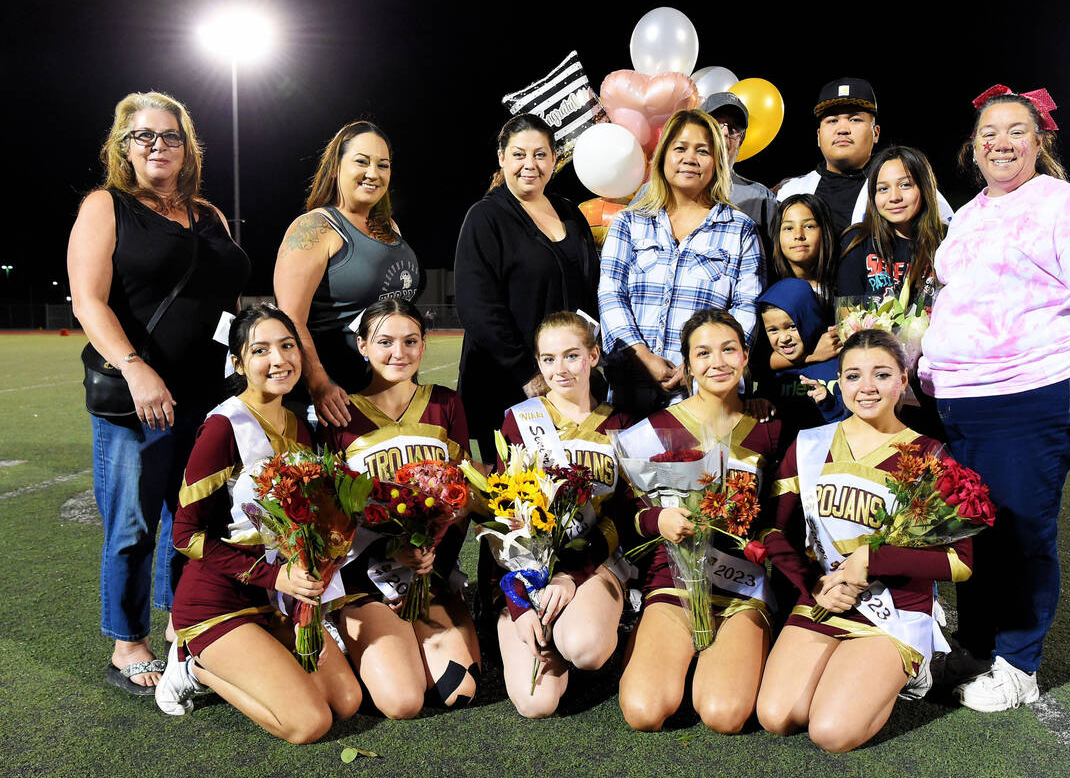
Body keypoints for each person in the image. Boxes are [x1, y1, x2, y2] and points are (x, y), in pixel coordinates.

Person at [918, 85, 1070, 711]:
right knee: (974, 527)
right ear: (972, 147)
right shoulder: (969, 215)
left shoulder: (1068, 204)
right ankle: (978, 645)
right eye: (989, 132)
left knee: (1020, 531)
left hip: (1031, 395)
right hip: (960, 402)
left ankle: (1018, 663)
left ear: (1040, 143)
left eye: (1016, 131)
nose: (1001, 142)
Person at [67, 91, 250, 696]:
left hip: (207, 397)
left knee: (196, 520)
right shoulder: (106, 206)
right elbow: (89, 300)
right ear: (123, 147)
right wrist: (136, 367)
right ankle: (127, 643)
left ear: (187, 146)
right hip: (137, 399)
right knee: (132, 523)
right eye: (142, 136)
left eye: (169, 136)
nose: (157, 146)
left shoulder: (210, 215)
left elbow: (223, 304)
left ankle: (183, 628)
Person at [756, 329, 972, 751]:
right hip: (825, 596)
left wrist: (872, 559)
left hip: (893, 609)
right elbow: (772, 530)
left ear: (903, 381)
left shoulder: (930, 454)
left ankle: (911, 668)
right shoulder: (810, 443)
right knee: (777, 716)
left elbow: (959, 561)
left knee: (831, 733)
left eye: (882, 374)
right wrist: (811, 584)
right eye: (853, 376)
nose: (867, 387)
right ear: (839, 381)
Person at [155, 304, 362, 742]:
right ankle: (193, 666)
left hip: (276, 599)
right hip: (219, 600)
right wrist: (275, 576)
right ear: (238, 363)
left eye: (288, 346)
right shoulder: (222, 427)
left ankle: (262, 657)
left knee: (347, 701)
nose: (279, 359)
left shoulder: (300, 423)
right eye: (261, 350)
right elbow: (184, 534)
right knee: (309, 723)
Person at [618, 310, 783, 734]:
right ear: (688, 364)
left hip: (739, 586)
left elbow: (781, 520)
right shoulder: (654, 430)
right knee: (644, 712)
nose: (718, 362)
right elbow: (627, 516)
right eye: (704, 353)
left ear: (746, 356)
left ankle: (733, 650)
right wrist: (659, 520)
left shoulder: (769, 426)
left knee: (724, 715)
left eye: (729, 349)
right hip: (674, 581)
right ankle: (656, 640)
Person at [322, 299, 481, 716]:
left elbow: (459, 496)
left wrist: (432, 552)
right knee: (403, 702)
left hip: (430, 571)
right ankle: (349, 636)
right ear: (362, 345)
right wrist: (389, 551)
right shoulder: (339, 412)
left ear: (424, 345)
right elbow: (333, 514)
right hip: (366, 578)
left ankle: (443, 611)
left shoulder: (445, 403)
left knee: (458, 693)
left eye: (411, 341)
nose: (399, 352)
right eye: (385, 341)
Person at [490, 312, 635, 717]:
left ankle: (589, 623)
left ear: (594, 355)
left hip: (594, 563)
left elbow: (624, 516)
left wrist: (572, 574)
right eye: (549, 359)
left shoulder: (620, 424)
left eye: (572, 356)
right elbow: (504, 518)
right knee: (536, 704)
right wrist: (518, 604)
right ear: (538, 364)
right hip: (528, 570)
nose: (561, 369)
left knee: (585, 649)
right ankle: (512, 622)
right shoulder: (520, 420)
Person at [598, 110, 764, 417]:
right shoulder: (629, 223)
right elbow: (610, 295)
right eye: (680, 148)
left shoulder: (740, 229)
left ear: (717, 163)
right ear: (663, 157)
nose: (690, 158)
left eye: (703, 151)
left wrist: (696, 366)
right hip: (629, 393)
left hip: (706, 397)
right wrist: (643, 357)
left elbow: (745, 310)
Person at [455, 114, 599, 464]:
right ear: (502, 158)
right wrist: (529, 374)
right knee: (521, 502)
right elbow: (478, 309)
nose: (529, 165)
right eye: (519, 154)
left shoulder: (569, 212)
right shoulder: (485, 217)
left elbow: (588, 290)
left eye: (540, 154)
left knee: (576, 490)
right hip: (508, 385)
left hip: (567, 382)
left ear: (554, 159)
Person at [275, 121, 422, 428]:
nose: (373, 173)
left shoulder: (390, 227)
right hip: (336, 403)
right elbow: (290, 321)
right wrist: (320, 385)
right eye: (361, 161)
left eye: (383, 165)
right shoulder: (315, 228)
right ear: (335, 167)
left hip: (389, 397)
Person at [776, 78, 954, 239]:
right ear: (818, 135)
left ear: (875, 133)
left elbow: (952, 242)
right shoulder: (790, 192)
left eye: (854, 119)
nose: (842, 129)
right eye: (832, 120)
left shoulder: (909, 189)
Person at [632, 93, 777, 255]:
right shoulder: (651, 192)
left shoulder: (760, 199)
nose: (724, 133)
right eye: (716, 124)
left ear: (741, 141)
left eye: (734, 128)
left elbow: (776, 265)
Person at [837, 146, 946, 301]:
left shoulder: (947, 241)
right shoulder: (857, 241)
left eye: (905, 185)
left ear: (924, 187)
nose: (894, 197)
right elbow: (847, 315)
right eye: (883, 189)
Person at [754, 278, 846, 435]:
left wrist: (830, 404)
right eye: (773, 330)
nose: (783, 338)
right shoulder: (772, 373)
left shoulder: (839, 361)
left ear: (809, 319)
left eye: (791, 327)